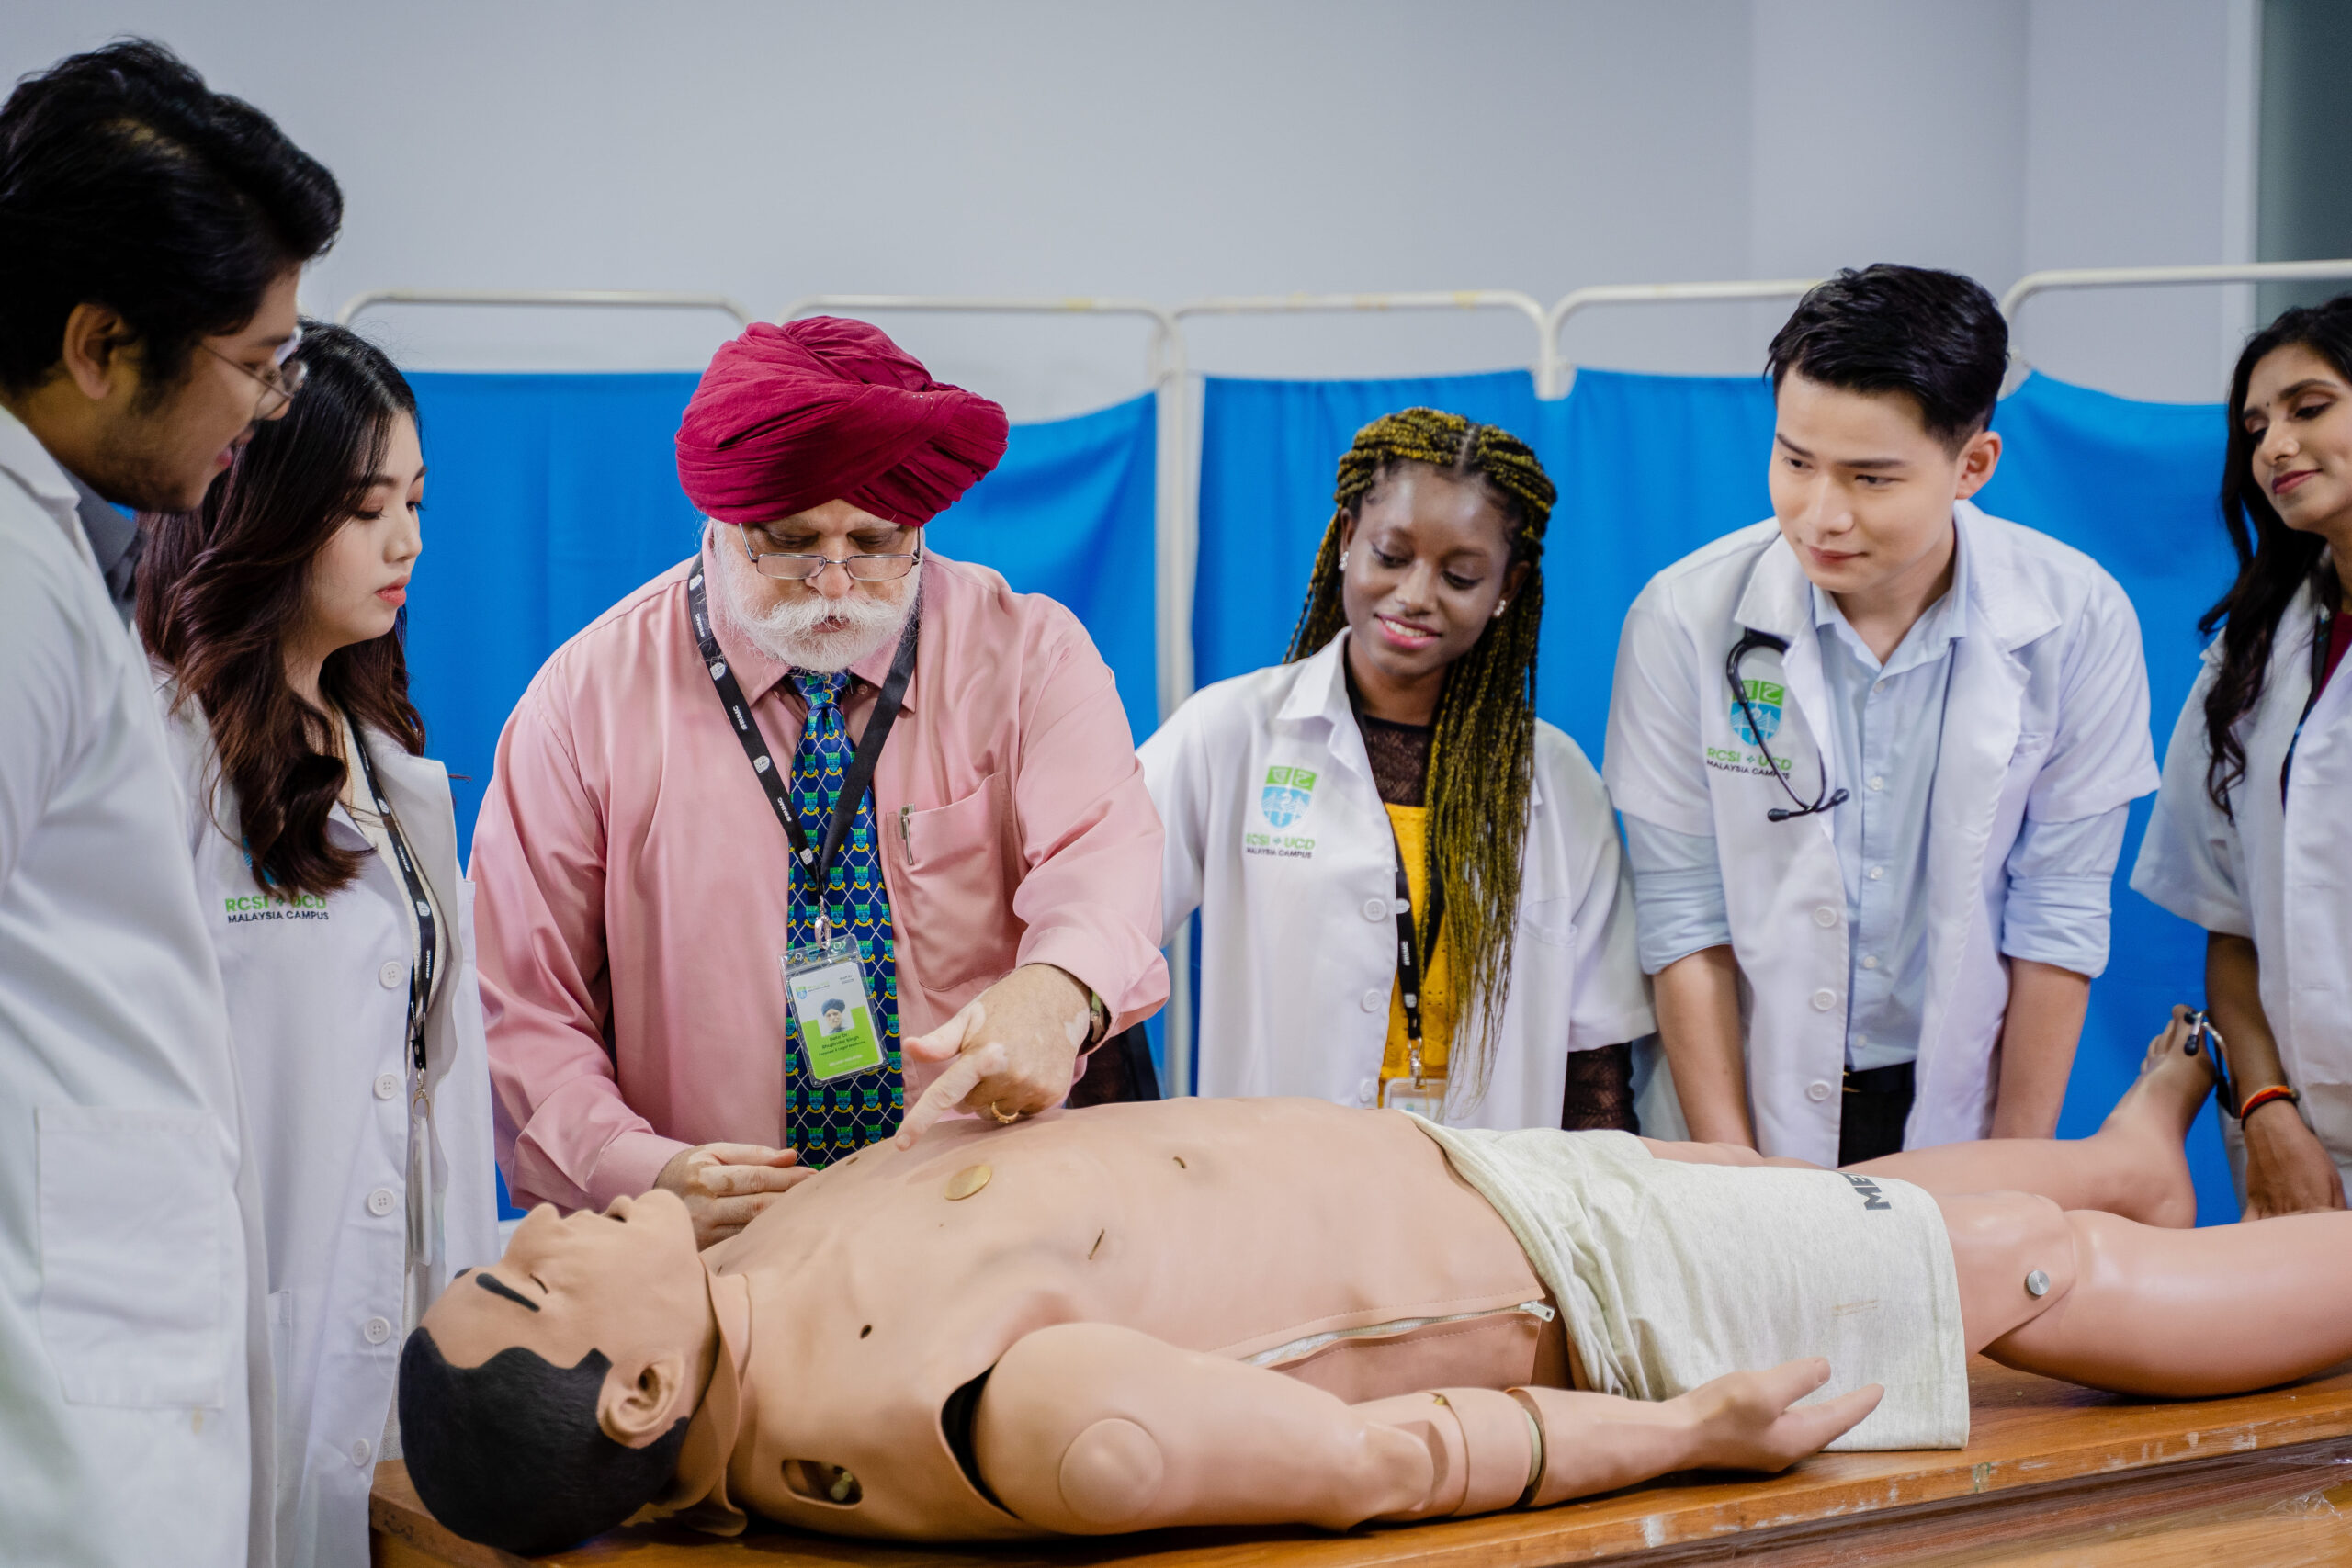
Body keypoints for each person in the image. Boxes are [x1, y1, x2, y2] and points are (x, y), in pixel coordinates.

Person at [393, 1010, 2348, 1556]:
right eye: (523, 1277)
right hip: (1566, 1289)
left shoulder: (732, 1270)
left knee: (1833, 1188)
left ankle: (2104, 1145)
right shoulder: (972, 1423)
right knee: (2028, 1274)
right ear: (633, 1400)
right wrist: (1681, 1430)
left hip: (1461, 1179)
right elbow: (1372, 1462)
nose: (536, 1225)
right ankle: (2100, 1205)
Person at [471, 317, 1167, 1247]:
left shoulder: (1029, 657)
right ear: (718, 524)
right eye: (793, 542)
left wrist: (1060, 987)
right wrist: (646, 1175)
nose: (836, 583)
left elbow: (1103, 862)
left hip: (985, 1229)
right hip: (716, 1249)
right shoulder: (584, 702)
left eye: (876, 542)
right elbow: (518, 1003)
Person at [0, 39, 341, 1568]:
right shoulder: (10, 588)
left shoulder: (56, 560)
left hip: (108, 1370)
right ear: (97, 345)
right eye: (255, 361)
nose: (269, 408)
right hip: (59, 1432)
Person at [1604, 265, 2157, 1167]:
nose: (1821, 515)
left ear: (1971, 465)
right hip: (1738, 1095)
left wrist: (2015, 1165)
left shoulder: (2074, 619)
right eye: (1794, 462)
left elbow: (2056, 912)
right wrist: (1736, 1167)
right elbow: (1682, 915)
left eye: (1869, 478)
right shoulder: (1683, 617)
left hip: (1951, 1106)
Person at [138, 323, 502, 1567]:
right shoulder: (159, 765)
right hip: (225, 1351)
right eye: (364, 509)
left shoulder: (398, 771)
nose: (407, 542)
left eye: (415, 501)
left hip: (402, 1348)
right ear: (266, 508)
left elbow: (432, 1104)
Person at [1144, 409, 1651, 1129]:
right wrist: (1122, 1138)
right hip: (1277, 1197)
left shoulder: (1559, 783)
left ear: (1511, 583)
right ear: (1348, 538)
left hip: (1490, 1206)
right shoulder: (1228, 734)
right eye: (1391, 554)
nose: (1416, 595)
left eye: (1461, 574)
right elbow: (1091, 940)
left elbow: (1596, 1059)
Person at [2133, 296, 2352, 1220]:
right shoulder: (2252, 655)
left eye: (2309, 408)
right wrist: (2265, 1113)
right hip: (2296, 1138)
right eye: (2255, 425)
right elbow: (2232, 926)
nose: (2271, 447)